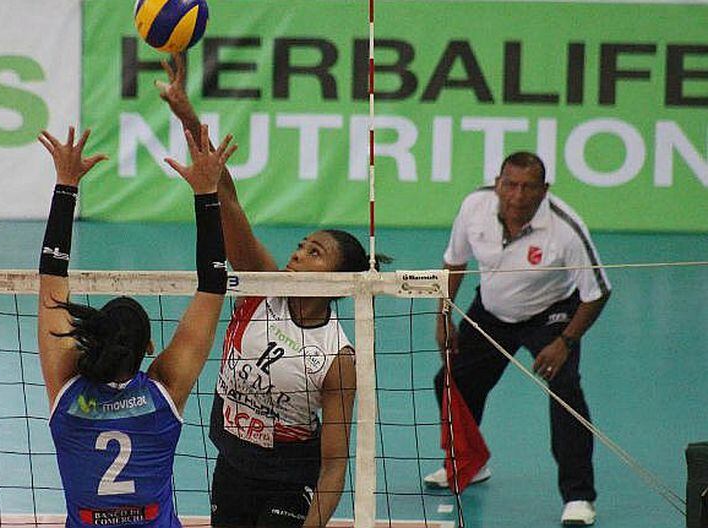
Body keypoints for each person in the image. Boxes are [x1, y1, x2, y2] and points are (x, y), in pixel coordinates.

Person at [157, 54, 384, 528]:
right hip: (232, 463)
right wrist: (186, 114)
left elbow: (334, 464)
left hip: (289, 479)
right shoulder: (262, 285)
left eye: (315, 252)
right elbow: (227, 199)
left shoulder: (337, 357)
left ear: (338, 280)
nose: (297, 254)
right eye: (301, 245)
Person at [36, 125, 235, 527]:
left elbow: (51, 276)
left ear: (90, 340)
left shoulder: (67, 388)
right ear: (149, 347)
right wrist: (206, 193)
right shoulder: (164, 391)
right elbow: (214, 284)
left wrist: (66, 184)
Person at [426, 152, 611, 526]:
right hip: (491, 310)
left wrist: (565, 342)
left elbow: (598, 292)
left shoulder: (565, 228)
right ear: (497, 184)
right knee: (451, 381)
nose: (517, 195)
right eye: (510, 185)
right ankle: (469, 463)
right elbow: (455, 262)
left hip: (551, 315)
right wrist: (444, 315)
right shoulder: (474, 207)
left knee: (566, 390)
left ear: (544, 190)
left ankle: (578, 496)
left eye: (528, 187)